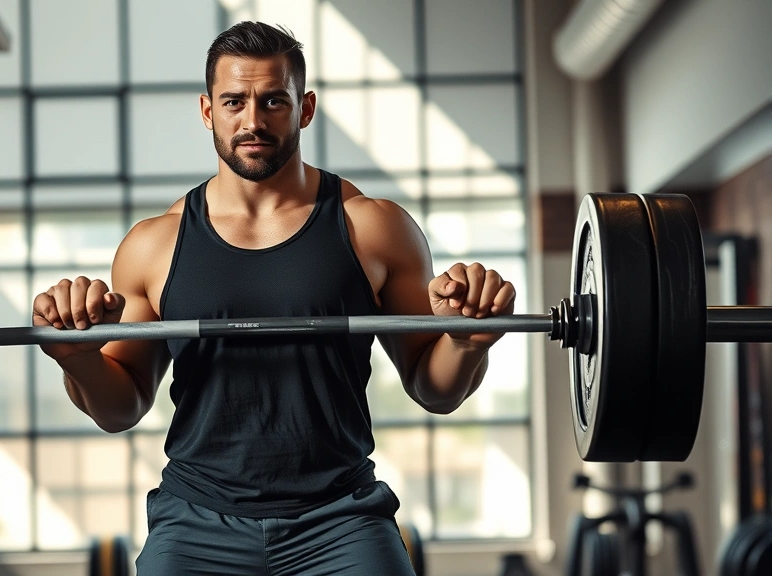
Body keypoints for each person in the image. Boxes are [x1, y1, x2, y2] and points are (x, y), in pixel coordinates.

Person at [32, 21, 516, 575]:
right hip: (196, 519)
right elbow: (122, 408)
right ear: (208, 110)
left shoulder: (374, 228)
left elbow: (435, 390)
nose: (253, 121)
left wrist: (467, 343)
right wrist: (78, 361)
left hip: (341, 518)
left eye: (273, 101)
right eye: (233, 101)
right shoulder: (153, 246)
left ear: (304, 109)